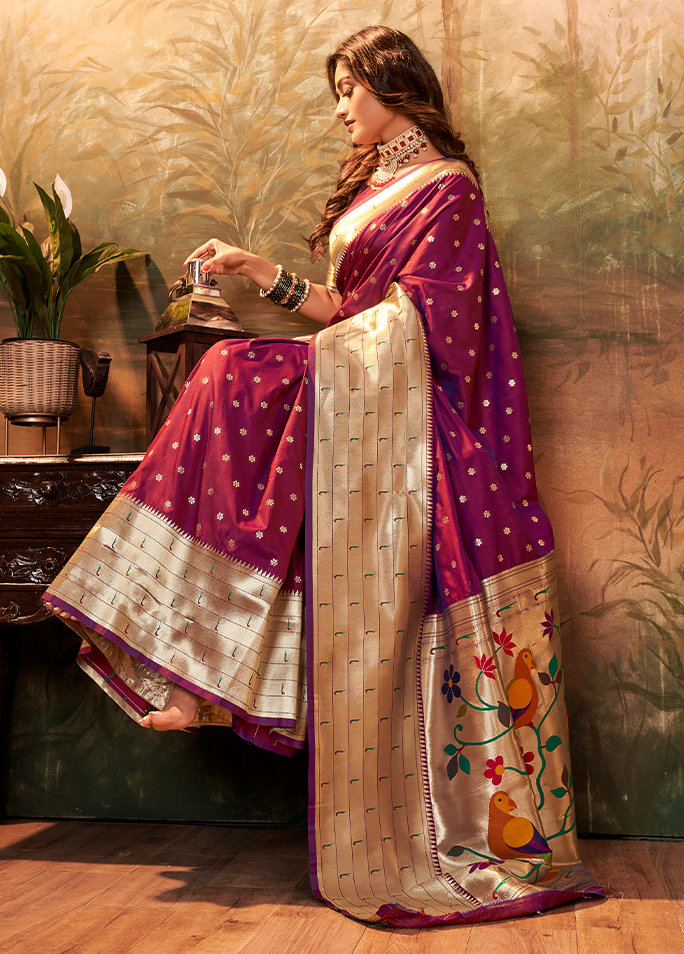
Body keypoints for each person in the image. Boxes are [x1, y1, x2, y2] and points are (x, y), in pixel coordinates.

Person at [44, 25, 601, 926]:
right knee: (232, 390)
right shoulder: (376, 189)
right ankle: (192, 668)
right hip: (366, 388)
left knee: (228, 372)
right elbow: (349, 309)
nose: (341, 107)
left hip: (417, 412)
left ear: (393, 86)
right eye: (337, 90)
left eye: (350, 88)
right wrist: (256, 270)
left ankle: (201, 677)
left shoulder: (447, 189)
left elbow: (436, 328)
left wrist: (326, 349)